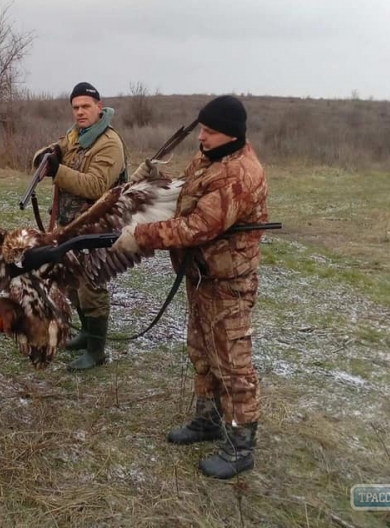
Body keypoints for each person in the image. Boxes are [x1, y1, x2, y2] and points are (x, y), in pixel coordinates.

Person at [112, 95, 267, 479]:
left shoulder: (239, 175)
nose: (202, 136)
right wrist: (149, 181)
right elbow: (185, 196)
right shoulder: (209, 159)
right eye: (202, 128)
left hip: (227, 283)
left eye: (210, 131)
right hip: (202, 276)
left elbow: (196, 226)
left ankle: (240, 445)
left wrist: (141, 236)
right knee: (201, 351)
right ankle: (208, 421)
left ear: (230, 134)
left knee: (232, 362)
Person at [31, 81, 127, 371]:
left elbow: (96, 185)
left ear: (99, 107)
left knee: (91, 287)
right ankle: (86, 334)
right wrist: (45, 157)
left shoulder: (109, 142)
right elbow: (56, 149)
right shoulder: (77, 135)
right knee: (72, 283)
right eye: (75, 107)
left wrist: (57, 171)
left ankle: (97, 350)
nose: (80, 112)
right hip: (70, 225)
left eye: (86, 106)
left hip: (97, 226)